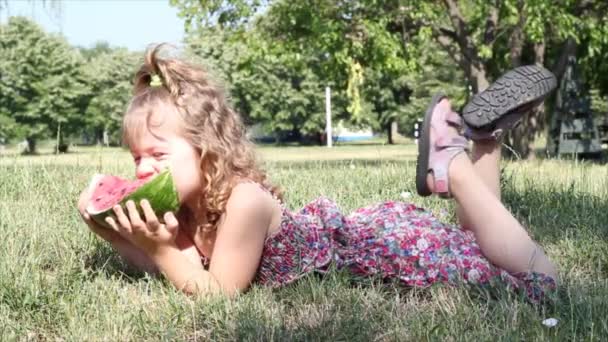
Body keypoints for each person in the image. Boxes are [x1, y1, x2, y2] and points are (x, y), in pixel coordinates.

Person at [77, 45, 558, 302]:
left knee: (541, 283)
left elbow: (218, 293)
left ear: (205, 149)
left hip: (392, 255)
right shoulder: (184, 212)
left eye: (157, 155)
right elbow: (170, 269)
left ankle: (450, 164)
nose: (142, 169)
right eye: (135, 157)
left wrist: (160, 247)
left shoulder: (244, 201)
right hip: (376, 235)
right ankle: (484, 137)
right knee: (474, 239)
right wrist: (117, 234)